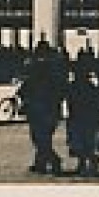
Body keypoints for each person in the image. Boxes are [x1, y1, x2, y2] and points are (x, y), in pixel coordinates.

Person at [19, 41, 68, 175]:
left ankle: (54, 160)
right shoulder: (56, 68)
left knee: (39, 137)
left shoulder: (40, 68)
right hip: (52, 108)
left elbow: (28, 85)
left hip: (39, 107)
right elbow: (62, 89)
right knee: (44, 136)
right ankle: (40, 163)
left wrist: (23, 93)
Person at [65, 66, 99, 175]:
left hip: (78, 118)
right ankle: (88, 163)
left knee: (81, 143)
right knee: (87, 142)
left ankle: (86, 163)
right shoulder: (91, 87)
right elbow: (98, 104)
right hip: (87, 118)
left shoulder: (73, 87)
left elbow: (71, 103)